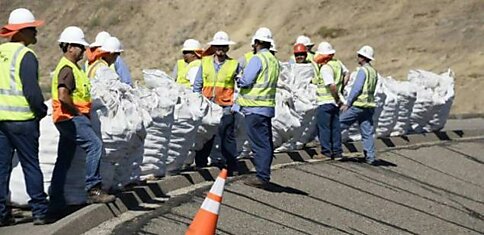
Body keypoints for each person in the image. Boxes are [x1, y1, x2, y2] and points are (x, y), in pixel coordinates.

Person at [49, 26, 115, 220]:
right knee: (94, 145)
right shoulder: (68, 69)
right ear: (69, 47)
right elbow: (63, 95)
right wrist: (77, 111)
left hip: (66, 119)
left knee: (64, 160)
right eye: (79, 47)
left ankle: (55, 203)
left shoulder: (73, 68)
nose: (83, 51)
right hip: (71, 118)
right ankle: (93, 189)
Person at [0, 8, 48, 226]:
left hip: (1, 122)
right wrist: (41, 111)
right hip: (23, 120)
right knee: (30, 164)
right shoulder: (25, 55)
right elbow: (32, 92)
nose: (35, 33)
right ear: (20, 32)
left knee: (2, 168)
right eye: (31, 29)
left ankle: (1, 214)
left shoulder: (1, 53)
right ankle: (39, 211)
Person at [237, 27, 280, 188]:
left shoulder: (257, 59)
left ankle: (262, 176)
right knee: (266, 142)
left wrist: (238, 79)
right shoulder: (274, 61)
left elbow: (247, 81)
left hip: (254, 108)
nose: (252, 46)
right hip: (267, 107)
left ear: (258, 42)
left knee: (259, 143)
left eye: (254, 43)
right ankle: (264, 173)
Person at [193, 31, 240, 175]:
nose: (220, 49)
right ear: (213, 48)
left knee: (227, 136)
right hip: (208, 105)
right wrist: (196, 101)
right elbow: (198, 83)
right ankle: (201, 163)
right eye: (217, 46)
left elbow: (240, 86)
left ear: (227, 48)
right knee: (206, 135)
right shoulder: (205, 62)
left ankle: (231, 165)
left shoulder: (234, 64)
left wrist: (236, 105)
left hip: (226, 105)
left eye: (223, 46)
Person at [340, 45, 378, 165]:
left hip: (358, 105)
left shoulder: (363, 71)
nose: (358, 57)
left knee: (339, 124)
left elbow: (357, 88)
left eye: (360, 55)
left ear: (364, 58)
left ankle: (332, 149)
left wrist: (348, 103)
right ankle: (370, 157)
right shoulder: (373, 72)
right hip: (369, 106)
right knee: (367, 133)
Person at [312, 42, 349, 159]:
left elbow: (331, 85)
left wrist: (337, 97)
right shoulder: (337, 63)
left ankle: (326, 152)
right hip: (334, 103)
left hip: (326, 102)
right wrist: (341, 89)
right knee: (335, 128)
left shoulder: (325, 68)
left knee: (324, 128)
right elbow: (347, 74)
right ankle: (337, 152)